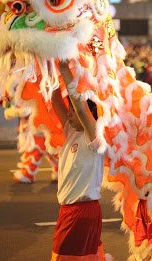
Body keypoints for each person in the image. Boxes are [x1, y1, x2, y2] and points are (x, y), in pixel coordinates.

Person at [50, 61, 108, 260]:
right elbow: (55, 99)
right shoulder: (71, 131)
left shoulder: (95, 139)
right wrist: (49, 64)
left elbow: (82, 108)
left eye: (72, 111)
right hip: (69, 210)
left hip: (81, 211)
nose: (69, 114)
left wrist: (66, 70)